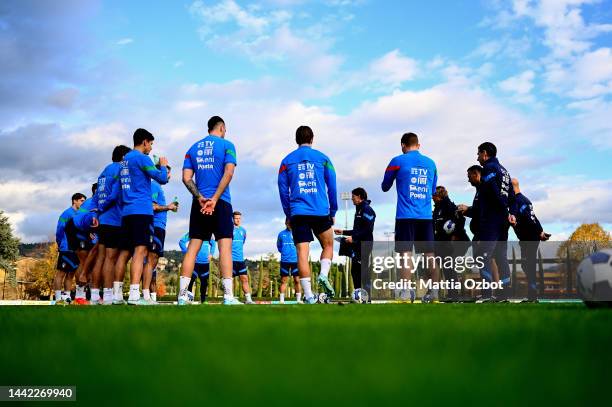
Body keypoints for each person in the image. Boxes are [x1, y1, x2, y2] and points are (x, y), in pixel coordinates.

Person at [179, 116, 241, 305]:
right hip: (220, 202)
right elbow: (229, 173)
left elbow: (186, 178)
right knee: (225, 249)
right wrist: (214, 199)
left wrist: (200, 198)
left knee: (192, 248)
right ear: (222, 128)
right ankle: (228, 296)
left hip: (199, 204)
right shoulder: (227, 145)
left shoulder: (193, 148)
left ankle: (182, 296)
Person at [278, 125, 338, 304]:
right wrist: (333, 210)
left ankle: (309, 296)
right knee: (328, 244)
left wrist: (288, 213)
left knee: (302, 254)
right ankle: (323, 274)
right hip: (320, 210)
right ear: (312, 139)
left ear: (296, 140)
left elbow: (283, 190)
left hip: (298, 212)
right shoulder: (324, 159)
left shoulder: (286, 161)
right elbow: (332, 186)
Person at [381, 132, 439, 303]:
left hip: (405, 216)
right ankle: (434, 292)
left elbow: (385, 186)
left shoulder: (397, 161)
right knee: (430, 254)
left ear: (403, 145)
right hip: (426, 216)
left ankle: (406, 292)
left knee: (405, 254)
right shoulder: (431, 164)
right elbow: (433, 190)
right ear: (418, 145)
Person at [117, 128, 168, 305]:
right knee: (140, 251)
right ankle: (133, 294)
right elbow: (161, 178)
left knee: (125, 253)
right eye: (151, 144)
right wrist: (162, 164)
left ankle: (116, 295)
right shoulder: (142, 158)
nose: (151, 148)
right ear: (145, 141)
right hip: (141, 210)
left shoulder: (124, 160)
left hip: (126, 212)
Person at [474, 141, 516, 300]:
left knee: (483, 257)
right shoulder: (505, 171)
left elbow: (492, 191)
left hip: (492, 219)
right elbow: (512, 195)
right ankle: (504, 295)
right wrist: (511, 212)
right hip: (503, 220)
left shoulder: (489, 169)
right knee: (500, 257)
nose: (477, 158)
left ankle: (486, 294)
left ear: (485, 153)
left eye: (478, 154)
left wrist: (500, 207)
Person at [92, 145, 131, 305]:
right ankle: (112, 295)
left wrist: (96, 213)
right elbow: (115, 194)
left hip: (104, 220)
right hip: (116, 218)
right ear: (123, 157)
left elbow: (96, 196)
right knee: (114, 258)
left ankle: (101, 295)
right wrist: (103, 208)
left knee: (105, 258)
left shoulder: (104, 172)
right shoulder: (120, 170)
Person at [142, 163, 178, 304]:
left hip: (159, 227)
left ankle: (148, 296)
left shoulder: (157, 187)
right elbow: (152, 206)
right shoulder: (154, 186)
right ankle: (145, 295)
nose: (169, 176)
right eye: (167, 173)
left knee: (153, 261)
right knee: (150, 260)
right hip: (155, 226)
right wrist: (168, 207)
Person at [511, 178, 550, 301]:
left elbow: (529, 219)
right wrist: (541, 231)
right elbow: (534, 217)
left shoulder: (518, 201)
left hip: (529, 237)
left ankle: (533, 295)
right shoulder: (525, 200)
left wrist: (538, 232)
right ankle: (532, 293)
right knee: (526, 265)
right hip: (529, 237)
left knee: (528, 265)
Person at [334, 187, 375, 299]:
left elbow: (368, 230)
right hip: (357, 244)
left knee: (362, 271)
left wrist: (353, 237)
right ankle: (358, 295)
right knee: (355, 271)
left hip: (365, 245)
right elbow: (357, 230)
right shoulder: (358, 210)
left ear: (360, 197)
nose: (352, 198)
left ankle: (367, 296)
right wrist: (343, 232)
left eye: (353, 196)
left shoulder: (367, 209)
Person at [66, 183, 100, 305]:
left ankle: (88, 293)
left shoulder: (97, 201)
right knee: (84, 261)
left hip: (84, 229)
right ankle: (80, 295)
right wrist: (89, 231)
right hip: (77, 230)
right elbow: (87, 219)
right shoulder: (93, 202)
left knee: (90, 261)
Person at [432, 186, 468, 300]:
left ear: (438, 196)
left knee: (449, 267)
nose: (432, 198)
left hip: (455, 243)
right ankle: (450, 294)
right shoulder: (437, 208)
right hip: (442, 243)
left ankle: (454, 294)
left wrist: (454, 236)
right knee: (444, 267)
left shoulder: (449, 207)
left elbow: (460, 221)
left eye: (433, 196)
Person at [53, 193, 86, 304]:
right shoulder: (66, 214)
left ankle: (66, 298)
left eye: (84, 201)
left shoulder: (81, 214)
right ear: (74, 201)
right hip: (66, 248)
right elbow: (59, 230)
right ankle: (57, 298)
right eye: (81, 201)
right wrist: (60, 243)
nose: (83, 203)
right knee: (61, 273)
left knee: (71, 273)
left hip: (76, 249)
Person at [180, 232, 215, 303]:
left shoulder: (209, 233)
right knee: (190, 281)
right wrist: (188, 253)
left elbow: (213, 244)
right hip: (194, 263)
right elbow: (181, 242)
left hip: (205, 263)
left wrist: (211, 253)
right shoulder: (193, 231)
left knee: (204, 283)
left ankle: (203, 301)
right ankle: (189, 299)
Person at [277, 219, 302, 304]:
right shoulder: (281, 234)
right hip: (285, 261)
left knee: (297, 280)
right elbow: (279, 246)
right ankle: (281, 300)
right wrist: (285, 252)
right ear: (285, 223)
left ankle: (298, 300)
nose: (289, 224)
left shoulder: (297, 232)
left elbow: (301, 246)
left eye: (291, 223)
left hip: (296, 261)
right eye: (288, 223)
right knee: (284, 280)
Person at [231, 211, 254, 304]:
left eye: (239, 218)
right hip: (230, 260)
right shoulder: (228, 229)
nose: (238, 220)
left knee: (244, 278)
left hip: (240, 260)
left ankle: (248, 299)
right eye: (236, 218)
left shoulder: (243, 231)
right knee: (230, 280)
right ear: (232, 219)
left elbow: (242, 242)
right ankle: (230, 298)